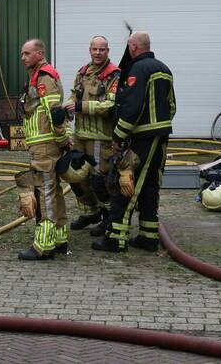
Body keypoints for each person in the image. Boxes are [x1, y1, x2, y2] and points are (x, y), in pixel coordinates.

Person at [93, 31, 175, 253]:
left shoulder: (137, 70)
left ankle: (115, 239)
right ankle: (148, 236)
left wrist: (118, 136)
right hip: (160, 138)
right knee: (149, 185)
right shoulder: (164, 69)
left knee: (127, 185)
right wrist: (160, 127)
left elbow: (132, 108)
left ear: (134, 47)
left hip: (142, 139)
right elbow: (172, 106)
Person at [15, 39, 70, 260]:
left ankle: (43, 246)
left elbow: (55, 113)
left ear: (39, 53)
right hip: (43, 144)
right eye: (22, 53)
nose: (23, 58)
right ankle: (59, 239)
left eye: (27, 53)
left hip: (45, 146)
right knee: (54, 192)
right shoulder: (37, 76)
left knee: (44, 192)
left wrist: (62, 139)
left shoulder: (44, 77)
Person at [64, 36, 120, 233]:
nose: (97, 53)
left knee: (99, 180)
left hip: (100, 138)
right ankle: (90, 212)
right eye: (94, 49)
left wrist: (80, 106)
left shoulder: (114, 75)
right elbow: (74, 95)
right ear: (89, 50)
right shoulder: (83, 72)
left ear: (108, 51)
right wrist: (67, 107)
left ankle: (109, 218)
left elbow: (110, 105)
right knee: (76, 176)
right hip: (80, 135)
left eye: (101, 49)